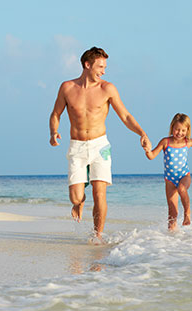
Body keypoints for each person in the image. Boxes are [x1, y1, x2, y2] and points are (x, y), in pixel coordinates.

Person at [49, 47, 150, 242]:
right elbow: (56, 113)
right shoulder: (67, 88)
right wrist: (53, 132)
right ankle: (79, 204)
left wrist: (141, 132)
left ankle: (97, 236)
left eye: (105, 67)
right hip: (77, 146)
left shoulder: (107, 89)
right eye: (100, 66)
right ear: (87, 65)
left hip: (100, 146)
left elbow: (125, 115)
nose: (104, 71)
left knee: (99, 192)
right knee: (76, 197)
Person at [144, 113, 192, 231]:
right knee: (172, 212)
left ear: (188, 130)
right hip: (169, 180)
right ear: (172, 128)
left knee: (182, 189)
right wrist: (147, 150)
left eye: (183, 130)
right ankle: (172, 237)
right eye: (177, 129)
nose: (180, 133)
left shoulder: (187, 142)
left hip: (184, 175)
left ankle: (187, 213)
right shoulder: (165, 142)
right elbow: (152, 156)